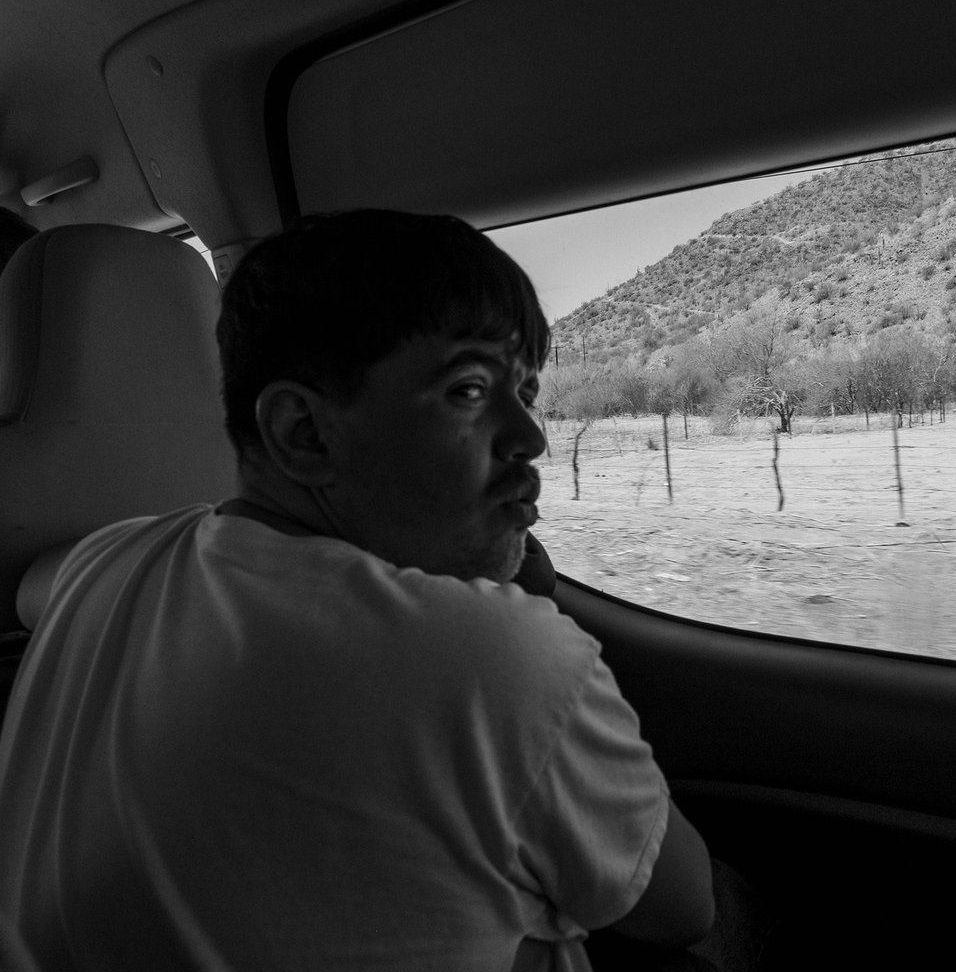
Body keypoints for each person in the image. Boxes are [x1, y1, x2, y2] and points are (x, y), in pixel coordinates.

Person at [0, 210, 715, 970]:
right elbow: (683, 907)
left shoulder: (104, 564)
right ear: (303, 433)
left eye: (526, 390)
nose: (531, 436)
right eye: (469, 389)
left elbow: (38, 590)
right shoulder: (492, 655)